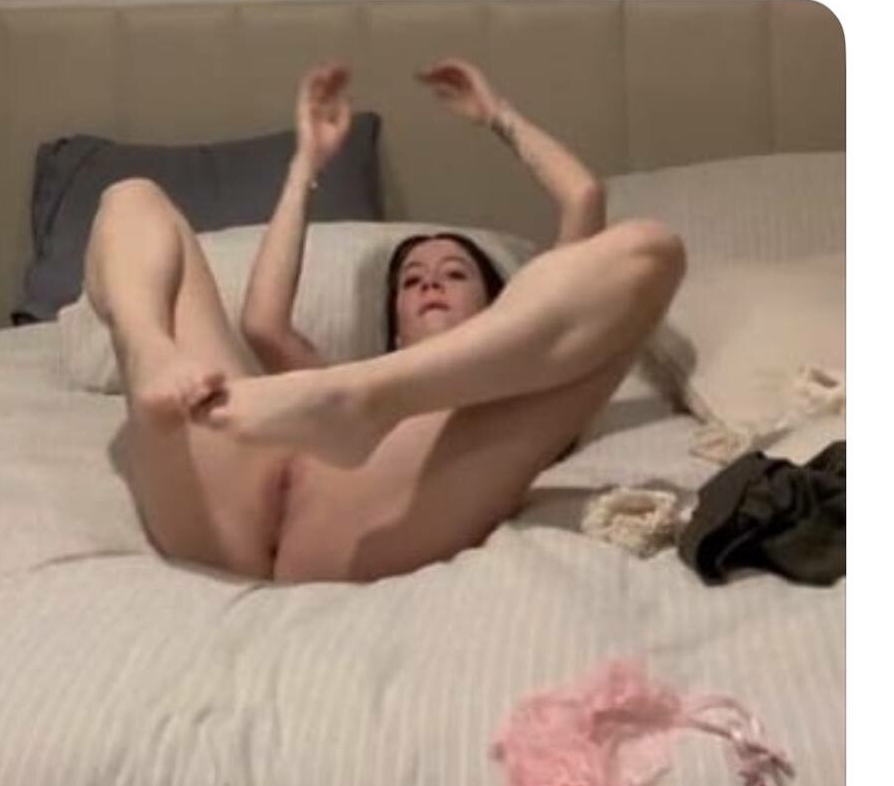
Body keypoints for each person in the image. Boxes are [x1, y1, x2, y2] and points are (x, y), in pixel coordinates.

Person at [84, 60, 686, 583]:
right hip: (225, 496)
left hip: (360, 518)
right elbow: (263, 324)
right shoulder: (317, 382)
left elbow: (585, 200)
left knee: (651, 251)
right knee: (131, 197)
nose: (430, 282)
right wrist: (305, 166)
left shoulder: (532, 372)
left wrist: (499, 115)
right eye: (412, 279)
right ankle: (145, 349)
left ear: (497, 304)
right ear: (394, 325)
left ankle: (375, 401)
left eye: (454, 273)